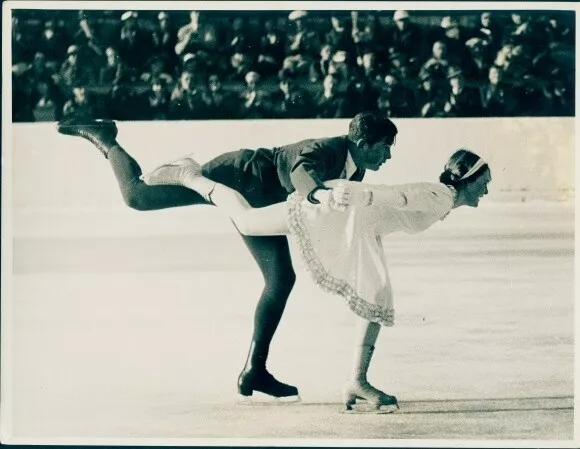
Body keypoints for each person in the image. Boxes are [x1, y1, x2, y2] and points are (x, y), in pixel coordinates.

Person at [55, 112, 399, 403]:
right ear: (364, 143)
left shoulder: (356, 170)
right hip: (239, 175)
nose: (389, 155)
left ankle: (255, 370)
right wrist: (318, 193)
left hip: (260, 199)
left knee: (280, 279)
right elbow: (302, 172)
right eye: (386, 147)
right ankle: (105, 138)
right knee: (137, 196)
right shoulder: (328, 149)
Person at [139, 149, 492, 411]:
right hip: (337, 212)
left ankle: (357, 380)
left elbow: (395, 207)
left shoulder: (443, 201)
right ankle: (190, 175)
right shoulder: (440, 196)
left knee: (378, 293)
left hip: (358, 226)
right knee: (247, 222)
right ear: (469, 181)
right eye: (484, 184)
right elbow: (398, 195)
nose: (486, 191)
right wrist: (363, 194)